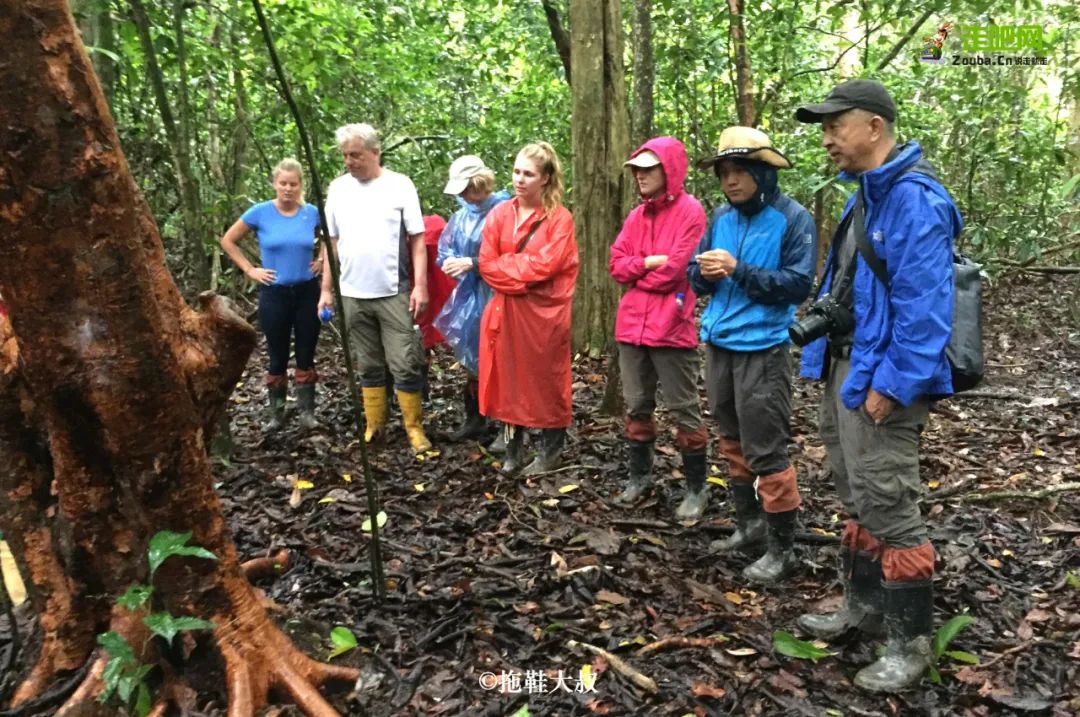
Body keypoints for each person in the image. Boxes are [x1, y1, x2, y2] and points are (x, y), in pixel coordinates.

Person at [792, 79, 960, 692]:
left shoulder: (915, 201)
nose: (828, 137)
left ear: (875, 127)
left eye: (837, 124)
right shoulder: (862, 197)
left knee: (888, 500)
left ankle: (910, 644)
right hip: (847, 367)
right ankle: (861, 610)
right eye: (824, 127)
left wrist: (892, 384)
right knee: (856, 491)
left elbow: (925, 310)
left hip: (884, 378)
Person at [688, 127, 816, 584]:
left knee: (767, 447)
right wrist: (701, 273)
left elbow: (799, 284)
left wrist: (739, 270)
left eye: (740, 171)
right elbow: (696, 274)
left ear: (763, 172)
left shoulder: (793, 219)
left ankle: (782, 549)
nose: (731, 181)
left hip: (764, 347)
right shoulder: (720, 216)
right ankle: (749, 526)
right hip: (719, 343)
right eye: (724, 172)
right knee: (732, 439)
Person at [608, 137, 709, 518]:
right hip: (631, 325)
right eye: (636, 170)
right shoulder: (637, 217)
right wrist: (647, 263)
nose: (640, 177)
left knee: (684, 409)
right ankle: (639, 478)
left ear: (669, 170)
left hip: (671, 325)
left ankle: (697, 489)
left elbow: (676, 270)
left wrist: (643, 270)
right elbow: (617, 265)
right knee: (636, 406)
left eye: (648, 170)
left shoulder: (691, 212)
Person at [319, 123, 432, 453]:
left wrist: (420, 285)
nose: (349, 161)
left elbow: (418, 239)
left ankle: (413, 428)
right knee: (367, 364)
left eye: (355, 154)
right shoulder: (338, 189)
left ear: (374, 152)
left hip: (393, 289)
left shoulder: (399, 186)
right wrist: (326, 289)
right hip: (352, 292)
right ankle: (375, 426)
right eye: (345, 156)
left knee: (404, 362)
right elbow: (332, 241)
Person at [478, 142, 578, 475]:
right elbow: (486, 264)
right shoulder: (499, 214)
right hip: (505, 312)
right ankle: (513, 451)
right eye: (517, 171)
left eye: (529, 174)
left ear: (546, 178)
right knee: (509, 381)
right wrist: (519, 276)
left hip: (544, 316)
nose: (520, 180)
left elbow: (547, 266)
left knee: (547, 381)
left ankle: (550, 452)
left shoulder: (559, 219)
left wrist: (511, 270)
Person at [220, 158, 321, 432]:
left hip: (306, 292)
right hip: (274, 293)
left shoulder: (311, 212)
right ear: (274, 184)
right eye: (283, 183)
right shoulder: (260, 212)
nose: (288, 189)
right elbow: (228, 240)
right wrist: (250, 269)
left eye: (293, 184)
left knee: (305, 352)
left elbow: (333, 237)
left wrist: (322, 259)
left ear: (301, 185)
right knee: (276, 354)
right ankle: (276, 415)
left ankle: (307, 414)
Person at [434, 155, 509, 442]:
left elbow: (510, 257)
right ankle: (475, 419)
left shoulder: (504, 210)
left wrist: (473, 262)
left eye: (466, 187)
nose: (463, 195)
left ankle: (507, 428)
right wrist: (453, 261)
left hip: (498, 293)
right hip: (469, 296)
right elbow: (446, 249)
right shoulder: (462, 215)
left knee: (500, 358)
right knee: (471, 357)